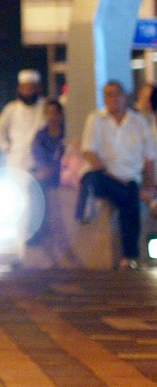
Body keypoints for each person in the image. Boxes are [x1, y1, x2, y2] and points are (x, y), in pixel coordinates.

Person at [77, 81, 157, 269]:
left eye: (116, 94)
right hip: (103, 175)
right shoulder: (96, 119)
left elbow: (149, 158)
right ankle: (130, 255)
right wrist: (111, 176)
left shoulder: (138, 121)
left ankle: (129, 258)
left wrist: (149, 185)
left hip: (129, 178)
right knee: (94, 179)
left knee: (129, 195)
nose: (113, 98)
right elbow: (88, 151)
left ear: (125, 96)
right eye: (108, 94)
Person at [0, 69, 46, 173]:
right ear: (19, 89)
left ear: (38, 88)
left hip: (41, 160)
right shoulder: (11, 108)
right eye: (25, 88)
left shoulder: (46, 107)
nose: (28, 91)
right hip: (17, 159)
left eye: (31, 88)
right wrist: (5, 147)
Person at [27, 98, 65, 246]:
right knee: (34, 186)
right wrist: (43, 169)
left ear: (60, 114)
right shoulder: (41, 135)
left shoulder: (65, 134)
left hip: (62, 173)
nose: (52, 116)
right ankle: (36, 230)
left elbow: (67, 156)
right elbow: (38, 155)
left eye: (55, 112)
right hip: (45, 174)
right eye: (48, 113)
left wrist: (53, 169)